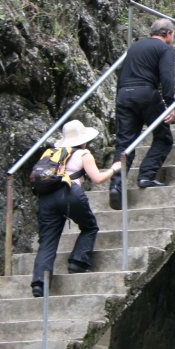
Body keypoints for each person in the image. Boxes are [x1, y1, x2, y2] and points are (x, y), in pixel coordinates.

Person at [32, 120, 121, 297]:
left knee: (47, 241)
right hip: (69, 193)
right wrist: (114, 169)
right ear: (83, 139)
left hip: (47, 197)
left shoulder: (51, 153)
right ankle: (77, 262)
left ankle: (39, 284)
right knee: (90, 227)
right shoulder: (83, 153)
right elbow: (98, 179)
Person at [109, 18, 175, 210]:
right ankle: (146, 175)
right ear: (168, 34)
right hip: (146, 93)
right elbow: (167, 77)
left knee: (125, 143)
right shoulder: (164, 49)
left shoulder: (135, 47)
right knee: (163, 137)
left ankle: (116, 185)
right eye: (173, 34)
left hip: (124, 94)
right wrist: (171, 105)